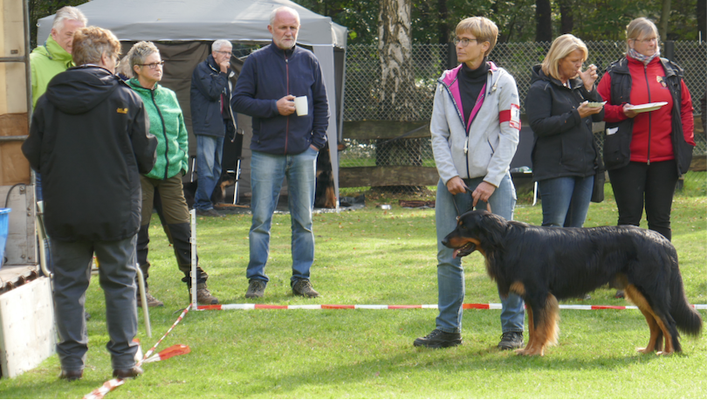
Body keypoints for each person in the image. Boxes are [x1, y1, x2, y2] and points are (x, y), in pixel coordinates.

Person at [22, 26, 156, 381]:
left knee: (68, 285)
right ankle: (125, 360)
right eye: (115, 57)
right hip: (114, 209)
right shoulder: (126, 98)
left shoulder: (48, 102)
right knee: (119, 283)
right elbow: (146, 158)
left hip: (65, 209)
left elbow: (33, 154)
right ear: (104, 58)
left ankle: (71, 364)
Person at [414, 16, 525, 350]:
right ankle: (448, 329)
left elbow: (510, 133)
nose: (459, 45)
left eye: (466, 39)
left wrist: (491, 181)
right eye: (457, 39)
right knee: (447, 254)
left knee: (508, 257)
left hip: (494, 183)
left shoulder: (503, 83)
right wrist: (449, 176)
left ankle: (513, 330)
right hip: (452, 185)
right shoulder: (445, 83)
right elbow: (438, 133)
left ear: (485, 45)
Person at [232, 6, 329, 299]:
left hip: (303, 153)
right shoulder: (256, 62)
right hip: (266, 153)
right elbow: (239, 100)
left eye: (293, 28)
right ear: (271, 29)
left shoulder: (309, 60)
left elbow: (322, 104)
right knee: (261, 220)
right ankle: (257, 279)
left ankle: (301, 279)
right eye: (284, 27)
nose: (289, 33)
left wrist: (316, 143)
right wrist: (273, 107)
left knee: (304, 220)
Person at [127, 41, 220, 307]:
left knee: (182, 230)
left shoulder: (167, 95)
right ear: (137, 69)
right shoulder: (127, 95)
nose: (158, 68)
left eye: (160, 63)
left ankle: (197, 286)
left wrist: (180, 163)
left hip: (170, 176)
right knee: (139, 233)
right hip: (141, 175)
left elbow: (180, 130)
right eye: (152, 64)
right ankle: (138, 290)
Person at [597, 18, 694, 241]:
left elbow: (686, 108)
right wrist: (622, 112)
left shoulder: (670, 72)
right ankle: (627, 275)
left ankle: (663, 273)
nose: (653, 44)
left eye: (655, 39)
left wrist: (687, 141)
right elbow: (599, 109)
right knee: (629, 221)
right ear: (632, 42)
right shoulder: (614, 74)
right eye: (647, 40)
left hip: (665, 159)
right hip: (627, 159)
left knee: (660, 220)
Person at [525, 34, 604, 228]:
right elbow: (540, 125)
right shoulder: (541, 88)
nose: (579, 66)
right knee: (554, 230)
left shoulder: (577, 86)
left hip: (585, 168)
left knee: (576, 234)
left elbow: (600, 118)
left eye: (582, 62)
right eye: (575, 61)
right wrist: (576, 115)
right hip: (556, 169)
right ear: (559, 60)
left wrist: (589, 88)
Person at [29, 6, 87, 201]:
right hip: (46, 161)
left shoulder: (82, 66)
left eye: (78, 34)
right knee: (47, 226)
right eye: (69, 34)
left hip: (77, 159)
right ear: (54, 33)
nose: (74, 40)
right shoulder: (33, 63)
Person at [190, 39, 238, 217]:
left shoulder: (223, 73)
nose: (228, 56)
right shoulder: (202, 70)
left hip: (220, 125)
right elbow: (212, 92)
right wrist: (224, 74)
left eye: (230, 53)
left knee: (217, 168)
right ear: (214, 53)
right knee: (207, 167)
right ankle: (202, 205)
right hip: (206, 125)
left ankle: (207, 203)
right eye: (224, 52)